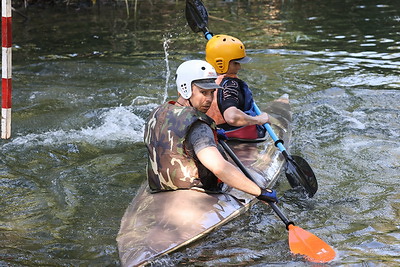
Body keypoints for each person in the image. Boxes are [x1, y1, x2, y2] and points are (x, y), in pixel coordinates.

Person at [143, 59, 278, 203]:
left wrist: (210, 134)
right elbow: (219, 168)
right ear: (185, 88)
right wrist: (259, 192)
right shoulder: (199, 126)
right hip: (197, 191)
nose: (209, 99)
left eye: (212, 92)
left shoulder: (157, 112)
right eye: (203, 92)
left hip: (159, 186)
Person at [205, 34, 270, 140]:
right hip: (237, 134)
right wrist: (259, 119)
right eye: (235, 63)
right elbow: (231, 117)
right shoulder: (231, 85)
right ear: (221, 63)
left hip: (212, 133)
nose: (239, 67)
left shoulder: (202, 81)